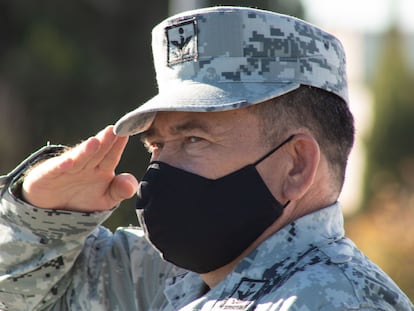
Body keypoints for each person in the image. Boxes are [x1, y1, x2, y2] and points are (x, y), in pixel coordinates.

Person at [0, 6, 412, 311]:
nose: (157, 172)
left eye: (195, 138)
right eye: (157, 146)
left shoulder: (334, 302)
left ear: (295, 165)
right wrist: (38, 214)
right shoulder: (170, 276)